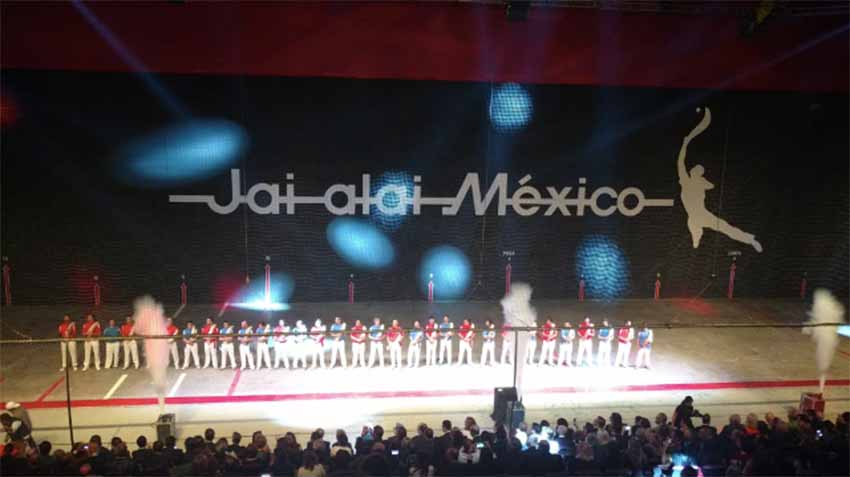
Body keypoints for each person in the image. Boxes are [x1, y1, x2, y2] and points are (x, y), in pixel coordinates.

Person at [678, 107, 762, 253]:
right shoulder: (686, 180)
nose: (696, 170)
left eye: (699, 171)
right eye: (696, 169)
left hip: (703, 215)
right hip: (692, 218)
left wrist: (686, 145)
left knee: (726, 228)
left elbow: (710, 185)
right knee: (695, 241)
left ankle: (750, 240)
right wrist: (684, 145)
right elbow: (680, 162)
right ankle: (696, 240)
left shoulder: (702, 184)